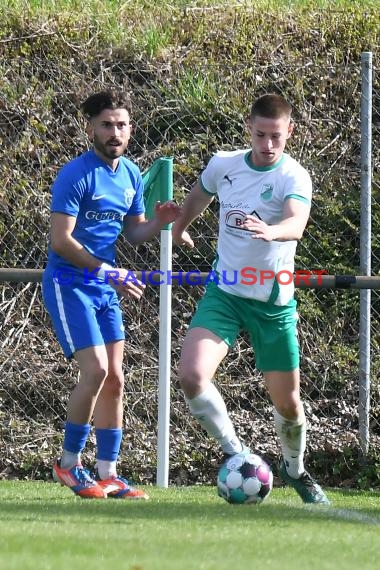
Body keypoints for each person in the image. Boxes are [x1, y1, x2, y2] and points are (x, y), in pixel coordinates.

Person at [172, 93, 330, 505]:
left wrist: (271, 231)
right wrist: (181, 225)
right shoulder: (224, 164)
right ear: (249, 128)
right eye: (260, 135)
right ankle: (238, 454)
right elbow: (200, 194)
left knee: (289, 405)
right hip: (224, 293)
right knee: (191, 376)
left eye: (275, 136)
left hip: (273, 301)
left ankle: (295, 470)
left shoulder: (294, 177)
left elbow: (296, 222)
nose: (267, 144)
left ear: (289, 132)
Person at [42, 89, 180, 499]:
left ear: (130, 129)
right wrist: (108, 271)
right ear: (91, 129)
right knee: (97, 371)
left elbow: (134, 232)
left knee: (116, 378)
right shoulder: (76, 174)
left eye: (121, 125)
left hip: (105, 283)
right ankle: (68, 465)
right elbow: (61, 241)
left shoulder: (131, 175)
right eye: (106, 125)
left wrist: (158, 222)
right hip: (70, 284)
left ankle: (109, 474)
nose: (114, 132)